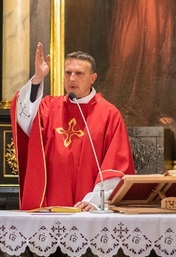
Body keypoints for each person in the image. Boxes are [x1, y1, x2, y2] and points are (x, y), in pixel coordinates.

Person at [11, 42, 135, 211]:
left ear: (93, 78)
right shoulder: (49, 107)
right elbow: (24, 119)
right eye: (68, 73)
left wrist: (96, 200)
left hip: (87, 207)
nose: (72, 78)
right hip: (51, 203)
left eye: (79, 73)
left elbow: (116, 164)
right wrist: (38, 79)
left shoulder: (108, 114)